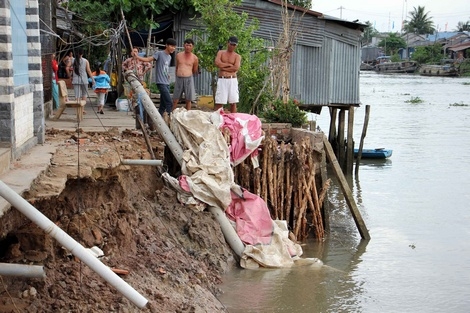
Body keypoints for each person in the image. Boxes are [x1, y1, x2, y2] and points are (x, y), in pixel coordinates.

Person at [135, 38, 177, 115]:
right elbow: (148, 59)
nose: (173, 48)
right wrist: (137, 57)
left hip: (166, 82)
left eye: (174, 47)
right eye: (171, 46)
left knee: (163, 105)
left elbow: (165, 68)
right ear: (166, 45)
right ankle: (170, 119)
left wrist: (167, 74)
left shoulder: (169, 57)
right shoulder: (159, 54)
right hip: (161, 82)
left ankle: (157, 120)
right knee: (169, 102)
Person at [214, 36, 241, 113]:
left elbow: (235, 68)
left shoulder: (237, 56)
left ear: (236, 46)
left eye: (234, 45)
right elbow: (217, 63)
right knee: (219, 101)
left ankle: (233, 119)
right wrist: (228, 65)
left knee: (233, 101)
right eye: (231, 44)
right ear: (227, 43)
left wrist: (223, 67)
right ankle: (218, 119)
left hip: (232, 80)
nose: (232, 46)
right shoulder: (221, 53)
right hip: (222, 79)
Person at [172, 39, 199, 111]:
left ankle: (188, 115)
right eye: (186, 45)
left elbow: (194, 70)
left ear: (192, 47)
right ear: (184, 45)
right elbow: (177, 67)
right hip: (179, 78)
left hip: (189, 79)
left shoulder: (195, 58)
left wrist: (187, 73)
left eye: (190, 45)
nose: (188, 47)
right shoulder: (178, 55)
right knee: (175, 99)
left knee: (188, 99)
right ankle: (171, 114)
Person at [71, 48, 95, 114]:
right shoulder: (85, 61)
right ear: (82, 54)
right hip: (84, 80)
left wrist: (70, 75)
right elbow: (88, 71)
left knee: (77, 95)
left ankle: (77, 110)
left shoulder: (72, 60)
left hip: (75, 80)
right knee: (84, 95)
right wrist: (93, 79)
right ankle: (82, 109)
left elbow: (67, 68)